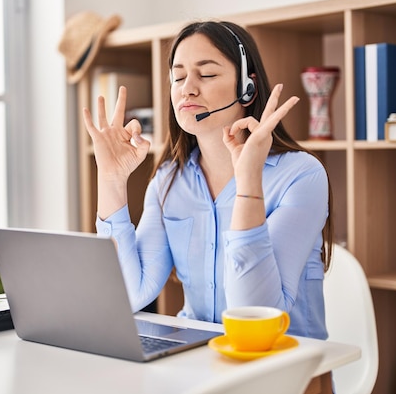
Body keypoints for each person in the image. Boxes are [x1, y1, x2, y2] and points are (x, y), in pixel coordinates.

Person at [83, 20, 333, 339]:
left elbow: (255, 318)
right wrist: (111, 179)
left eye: (207, 73)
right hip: (199, 362)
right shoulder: (168, 181)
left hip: (285, 370)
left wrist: (248, 187)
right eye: (178, 76)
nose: (187, 87)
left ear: (248, 88)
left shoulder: (301, 175)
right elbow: (130, 295)